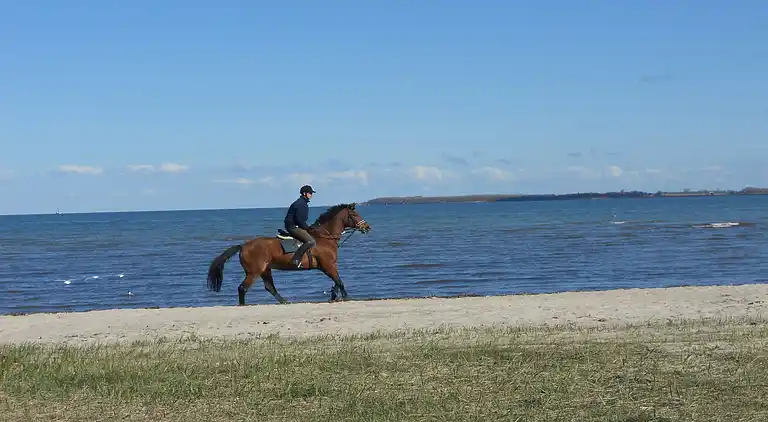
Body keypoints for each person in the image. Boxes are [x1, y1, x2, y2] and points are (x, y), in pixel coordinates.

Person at [284, 185, 317, 268]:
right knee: (310, 241)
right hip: (293, 227)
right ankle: (296, 259)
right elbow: (300, 221)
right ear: (304, 193)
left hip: (295, 225)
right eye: (310, 193)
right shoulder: (301, 204)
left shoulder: (302, 203)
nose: (311, 195)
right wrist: (308, 229)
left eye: (311, 193)